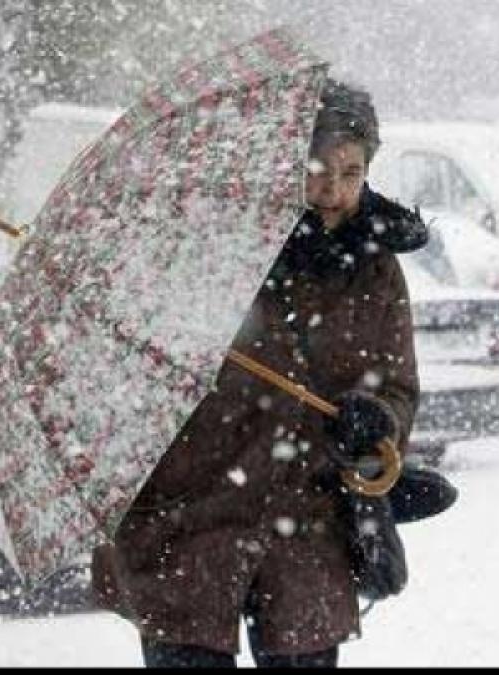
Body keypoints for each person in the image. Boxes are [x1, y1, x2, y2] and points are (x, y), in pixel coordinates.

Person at [103, 78, 429, 668]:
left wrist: (375, 419)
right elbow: (144, 366)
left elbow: (398, 384)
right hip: (192, 516)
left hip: (307, 524)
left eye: (350, 173)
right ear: (284, 166)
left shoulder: (375, 267)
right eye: (317, 170)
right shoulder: (211, 243)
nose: (333, 192)